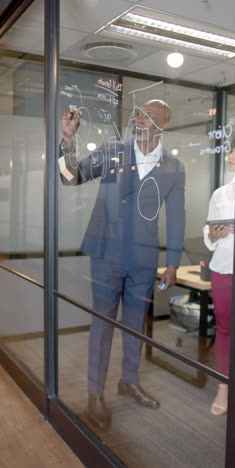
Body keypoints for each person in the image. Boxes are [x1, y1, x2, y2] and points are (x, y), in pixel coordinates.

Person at [59, 99, 185, 429]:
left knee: (134, 324)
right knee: (102, 325)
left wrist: (172, 261)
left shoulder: (173, 167)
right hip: (107, 254)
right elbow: (69, 177)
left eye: (149, 116)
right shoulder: (113, 150)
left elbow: (176, 217)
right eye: (139, 114)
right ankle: (94, 394)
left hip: (143, 258)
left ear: (163, 125)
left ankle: (128, 381)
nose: (141, 119)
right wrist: (68, 142)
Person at [203, 141, 235, 416]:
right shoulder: (221, 194)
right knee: (225, 329)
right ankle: (223, 387)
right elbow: (209, 233)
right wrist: (213, 235)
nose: (231, 155)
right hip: (224, 269)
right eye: (232, 148)